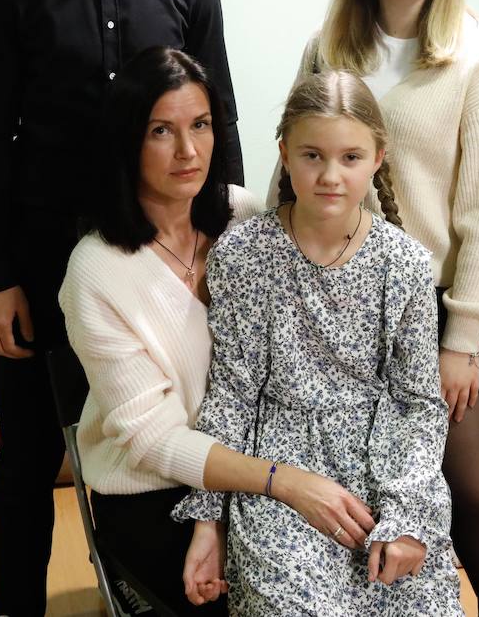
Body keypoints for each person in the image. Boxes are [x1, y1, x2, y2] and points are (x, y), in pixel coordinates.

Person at [0, 0, 242, 616]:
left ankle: (146, 582)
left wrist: (230, 267)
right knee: (30, 457)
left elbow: (218, 131)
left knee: (165, 439)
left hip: (165, 270)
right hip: (45, 268)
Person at [274, 0, 479, 616]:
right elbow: (294, 163)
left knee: (473, 482)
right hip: (329, 295)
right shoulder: (328, 48)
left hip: (429, 311)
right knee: (356, 473)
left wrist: (465, 334)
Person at [60, 48, 375, 614]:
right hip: (157, 490)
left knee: (365, 578)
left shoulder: (245, 216)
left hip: (271, 461)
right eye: (162, 131)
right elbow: (155, 443)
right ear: (127, 140)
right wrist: (283, 485)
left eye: (200, 125)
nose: (189, 150)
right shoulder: (96, 270)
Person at [174, 71, 462, 616]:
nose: (331, 176)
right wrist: (207, 524)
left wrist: (409, 518)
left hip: (385, 469)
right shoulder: (244, 255)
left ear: (378, 157)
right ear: (284, 154)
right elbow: (232, 395)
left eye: (350, 157)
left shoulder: (404, 264)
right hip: (278, 475)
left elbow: (417, 404)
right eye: (312, 156)